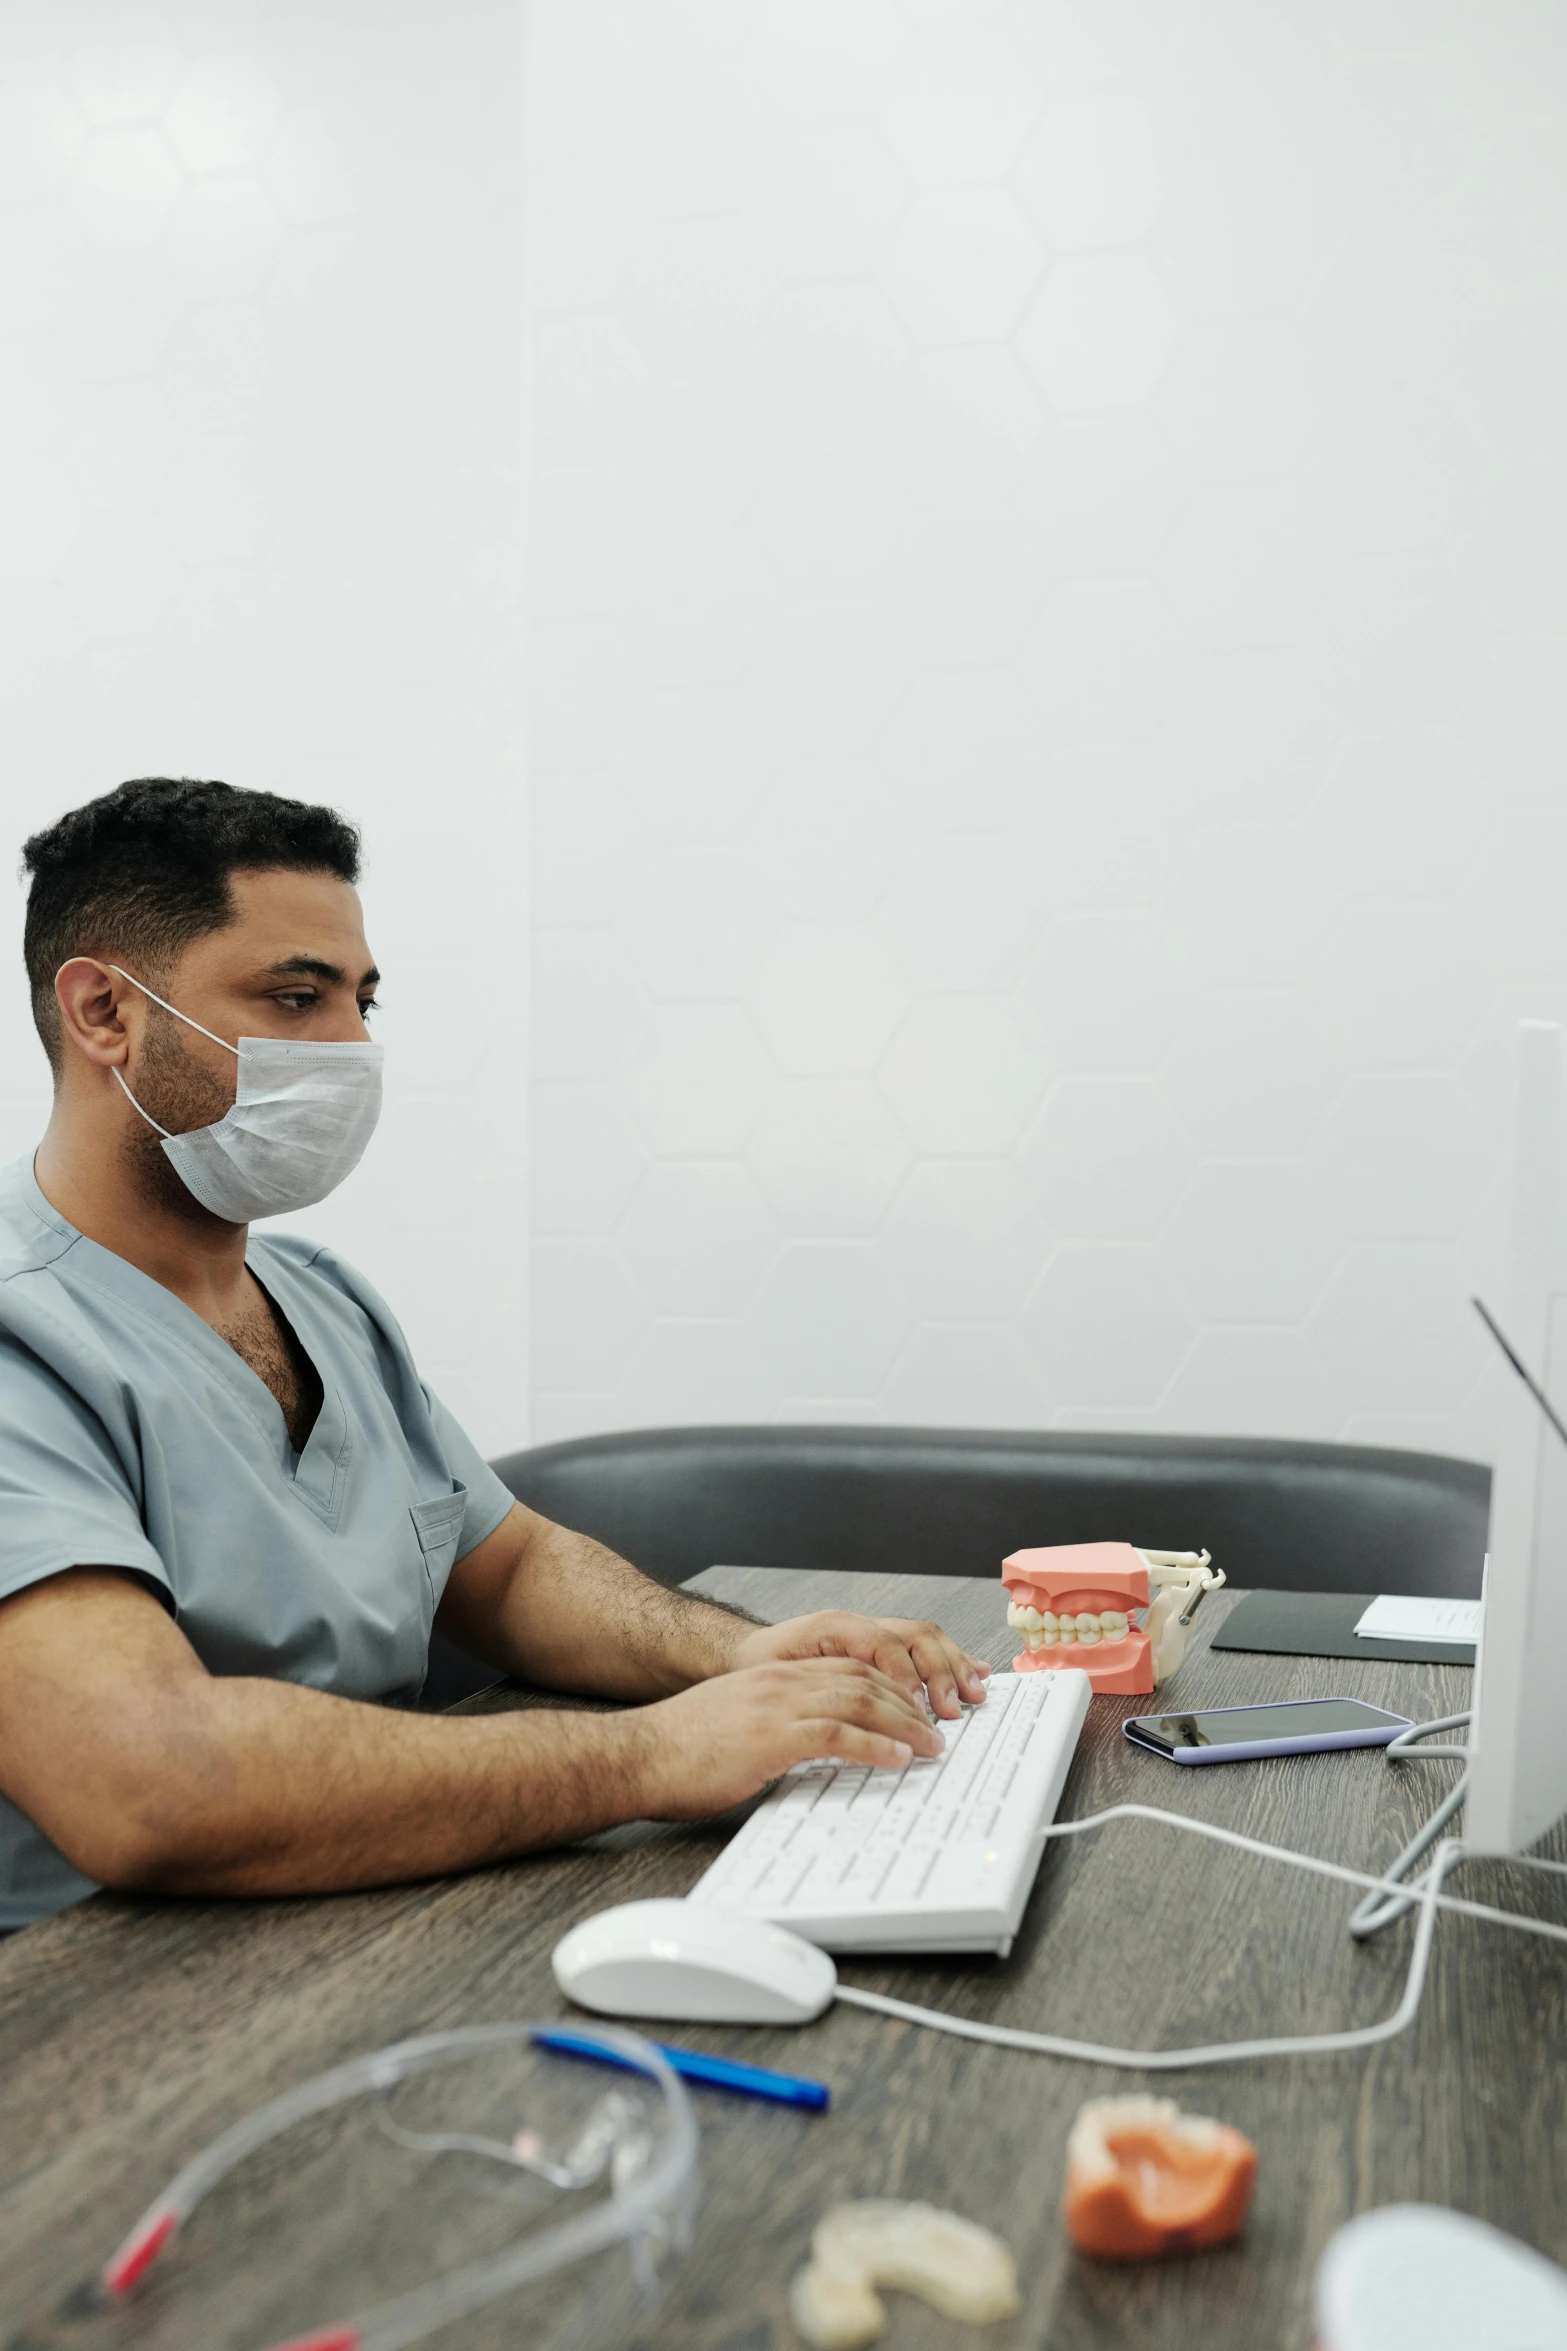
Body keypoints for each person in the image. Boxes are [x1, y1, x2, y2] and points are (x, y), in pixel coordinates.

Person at [0, 779, 989, 1928]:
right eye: (294, 995)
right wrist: (649, 1755)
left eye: (362, 1000)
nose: (353, 1047)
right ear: (104, 1012)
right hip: (110, 2000)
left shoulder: (323, 1302)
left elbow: (509, 1570)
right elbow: (151, 1780)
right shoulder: (27, 1338)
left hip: (384, 1903)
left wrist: (739, 1654)